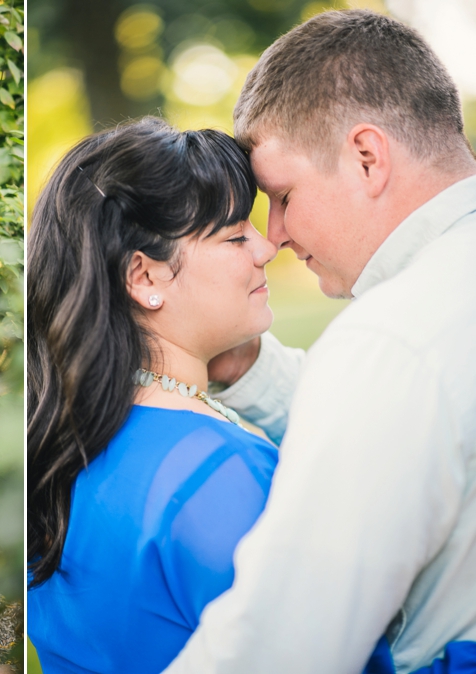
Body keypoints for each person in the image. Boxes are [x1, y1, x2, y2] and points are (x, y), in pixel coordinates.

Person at [159, 10, 476, 674]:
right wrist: (248, 369)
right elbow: (418, 429)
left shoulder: (391, 340)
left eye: (282, 194)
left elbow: (282, 646)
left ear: (367, 156)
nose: (272, 238)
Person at [26, 118, 396, 673]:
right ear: (145, 278)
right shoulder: (225, 473)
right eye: (233, 235)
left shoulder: (61, 445)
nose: (267, 247)